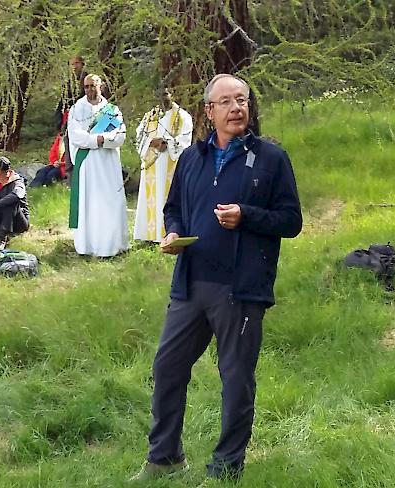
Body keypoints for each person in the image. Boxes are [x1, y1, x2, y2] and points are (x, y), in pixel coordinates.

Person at [131, 74, 302, 482]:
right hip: (190, 283)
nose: (236, 108)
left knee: (236, 378)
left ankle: (226, 468)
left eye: (241, 100)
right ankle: (165, 457)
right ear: (209, 111)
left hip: (241, 288)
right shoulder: (192, 157)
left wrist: (247, 216)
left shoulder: (271, 158)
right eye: (225, 102)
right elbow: (173, 207)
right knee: (168, 366)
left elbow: (291, 221)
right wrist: (172, 232)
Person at [67, 74, 129, 257]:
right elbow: (76, 136)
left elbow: (120, 136)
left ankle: (112, 244)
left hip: (108, 164)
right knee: (90, 202)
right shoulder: (77, 109)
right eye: (86, 87)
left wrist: (104, 140)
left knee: (110, 202)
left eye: (93, 86)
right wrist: (98, 139)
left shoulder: (111, 110)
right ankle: (89, 246)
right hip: (87, 164)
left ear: (100, 86)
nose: (89, 90)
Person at [133, 87, 193, 243]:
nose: (162, 98)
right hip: (152, 164)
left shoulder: (182, 116)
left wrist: (167, 142)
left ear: (172, 94)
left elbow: (185, 140)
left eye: (165, 94)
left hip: (170, 164)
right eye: (159, 94)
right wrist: (149, 142)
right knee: (152, 198)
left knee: (167, 197)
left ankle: (168, 233)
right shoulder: (149, 117)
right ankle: (149, 236)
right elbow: (139, 137)